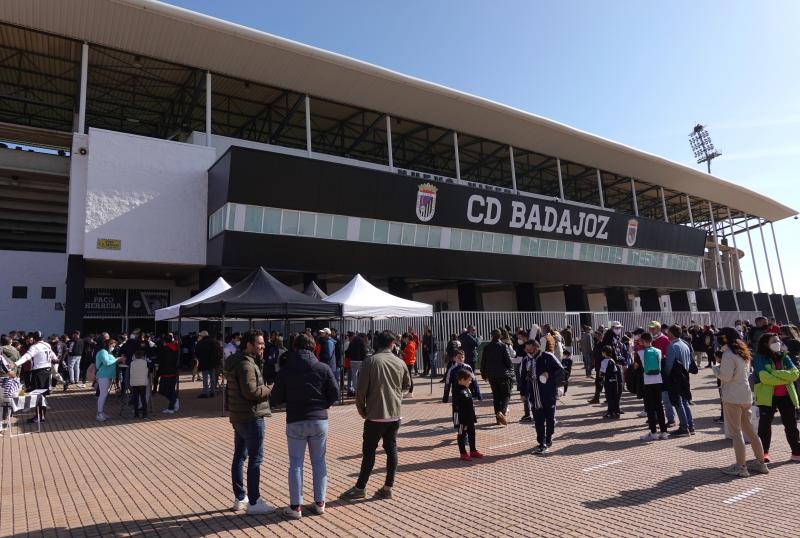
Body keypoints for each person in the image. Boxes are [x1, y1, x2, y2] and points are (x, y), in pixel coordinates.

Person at [270, 333, 339, 519]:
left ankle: (296, 506)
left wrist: (288, 400)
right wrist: (322, 405)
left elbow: (275, 399)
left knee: (296, 464)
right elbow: (335, 393)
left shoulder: (285, 370)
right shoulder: (323, 368)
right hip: (319, 420)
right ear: (313, 347)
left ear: (294, 348)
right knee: (319, 462)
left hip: (295, 420)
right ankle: (320, 502)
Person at [342, 330, 410, 501]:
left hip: (375, 414)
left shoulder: (370, 362)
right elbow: (407, 385)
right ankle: (388, 487)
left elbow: (360, 391)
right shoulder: (399, 362)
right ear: (392, 344)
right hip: (394, 414)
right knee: (391, 449)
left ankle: (360, 487)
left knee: (369, 452)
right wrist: (395, 396)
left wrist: (363, 410)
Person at [226, 330, 275, 515]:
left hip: (239, 416)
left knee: (239, 456)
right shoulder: (246, 365)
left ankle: (241, 498)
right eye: (259, 343)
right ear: (248, 344)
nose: (262, 346)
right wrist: (269, 389)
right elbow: (251, 392)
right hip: (251, 417)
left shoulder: (239, 361)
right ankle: (254, 502)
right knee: (255, 459)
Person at [713, 327, 769, 476]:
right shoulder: (743, 353)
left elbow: (726, 376)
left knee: (736, 433)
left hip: (732, 396)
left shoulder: (728, 355)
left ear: (725, 338)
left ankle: (741, 466)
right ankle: (760, 463)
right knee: (750, 430)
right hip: (745, 395)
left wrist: (716, 369)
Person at [753, 333, 800, 463]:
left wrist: (774, 373)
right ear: (765, 344)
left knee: (791, 425)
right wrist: (785, 377)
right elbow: (764, 378)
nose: (778, 343)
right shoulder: (759, 358)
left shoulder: (785, 356)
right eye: (774, 341)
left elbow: (795, 374)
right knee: (765, 426)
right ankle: (763, 453)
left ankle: (796, 452)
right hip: (767, 397)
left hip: (786, 396)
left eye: (778, 340)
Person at [520, 339, 564, 456]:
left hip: (548, 393)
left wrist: (548, 374)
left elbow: (561, 370)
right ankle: (542, 443)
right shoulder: (526, 360)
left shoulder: (548, 356)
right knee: (538, 420)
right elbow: (523, 377)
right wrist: (523, 393)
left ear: (536, 347)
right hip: (534, 395)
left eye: (529, 349)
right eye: (526, 349)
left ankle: (549, 437)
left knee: (550, 418)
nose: (526, 351)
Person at [15, 331, 57, 423]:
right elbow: (53, 355)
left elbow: (26, 356)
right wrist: (56, 359)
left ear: (34, 338)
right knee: (43, 395)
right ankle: (41, 416)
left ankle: (39, 417)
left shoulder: (34, 347)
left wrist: (15, 364)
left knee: (38, 395)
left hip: (39, 372)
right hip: (47, 372)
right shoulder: (47, 344)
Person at [637, 332, 668, 441]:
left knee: (650, 407)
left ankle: (653, 432)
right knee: (659, 406)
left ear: (644, 341)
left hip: (647, 381)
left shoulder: (640, 352)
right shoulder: (658, 351)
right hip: (658, 380)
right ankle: (664, 432)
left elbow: (637, 368)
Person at [665, 325, 694, 437]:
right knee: (685, 402)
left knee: (678, 402)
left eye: (668, 332)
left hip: (676, 377)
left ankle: (683, 427)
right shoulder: (685, 344)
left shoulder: (673, 346)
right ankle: (691, 426)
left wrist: (666, 376)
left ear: (672, 333)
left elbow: (669, 365)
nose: (667, 334)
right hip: (685, 376)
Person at [481, 329, 514, 425]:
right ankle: (502, 412)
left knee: (496, 396)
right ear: (500, 336)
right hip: (503, 375)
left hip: (492, 376)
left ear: (491, 336)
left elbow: (483, 362)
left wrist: (484, 375)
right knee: (506, 394)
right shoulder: (503, 346)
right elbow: (508, 362)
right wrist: (511, 374)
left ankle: (498, 419)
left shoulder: (487, 347)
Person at [453, 369, 482, 461]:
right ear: (461, 380)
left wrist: (473, 416)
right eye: (468, 380)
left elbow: (470, 404)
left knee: (472, 433)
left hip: (469, 418)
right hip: (462, 419)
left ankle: (473, 450)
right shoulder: (457, 391)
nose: (470, 382)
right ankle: (463, 453)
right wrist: (457, 422)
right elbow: (455, 408)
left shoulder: (467, 388)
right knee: (462, 435)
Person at [94, 337, 125, 422]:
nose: (114, 347)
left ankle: (101, 412)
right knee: (103, 395)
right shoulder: (103, 352)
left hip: (107, 376)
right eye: (113, 345)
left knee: (104, 395)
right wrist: (117, 359)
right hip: (103, 375)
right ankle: (99, 414)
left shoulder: (108, 353)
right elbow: (106, 363)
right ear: (109, 345)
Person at [157, 333, 180, 414]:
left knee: (162, 390)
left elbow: (160, 360)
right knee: (171, 390)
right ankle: (172, 404)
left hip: (165, 372)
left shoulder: (164, 348)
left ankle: (173, 402)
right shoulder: (176, 348)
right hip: (173, 371)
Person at [196, 331, 222, 398]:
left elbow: (197, 353)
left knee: (205, 378)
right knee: (212, 377)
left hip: (204, 362)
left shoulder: (200, 343)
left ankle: (205, 392)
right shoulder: (215, 342)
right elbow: (219, 352)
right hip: (213, 363)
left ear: (202, 336)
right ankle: (212, 392)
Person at [599, 345, 622, 419]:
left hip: (608, 381)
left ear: (604, 353)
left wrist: (600, 377)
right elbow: (615, 370)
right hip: (615, 381)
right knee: (615, 396)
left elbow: (602, 373)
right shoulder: (612, 360)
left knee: (609, 397)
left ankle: (610, 412)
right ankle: (616, 411)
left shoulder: (604, 361)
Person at [129, 349, 149, 419]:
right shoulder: (145, 362)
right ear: (142, 356)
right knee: (143, 399)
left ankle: (136, 414)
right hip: (143, 383)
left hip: (134, 383)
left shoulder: (132, 363)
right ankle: (145, 414)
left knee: (136, 399)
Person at [401, 333, 417, 397]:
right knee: (409, 377)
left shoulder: (409, 344)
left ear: (407, 338)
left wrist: (402, 352)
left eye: (404, 339)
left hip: (409, 362)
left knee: (409, 377)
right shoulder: (412, 343)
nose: (404, 340)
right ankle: (410, 392)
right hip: (410, 361)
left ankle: (410, 392)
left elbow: (408, 355)